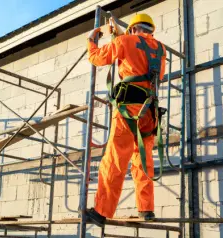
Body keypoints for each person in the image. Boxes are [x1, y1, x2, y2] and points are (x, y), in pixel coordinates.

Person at [85, 13, 167, 226]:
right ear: (150, 30)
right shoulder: (160, 49)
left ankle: (101, 211)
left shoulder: (125, 41)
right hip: (149, 113)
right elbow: (140, 59)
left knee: (115, 159)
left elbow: (97, 58)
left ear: (132, 29)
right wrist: (119, 38)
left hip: (128, 109)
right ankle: (146, 209)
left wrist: (92, 41)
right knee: (143, 162)